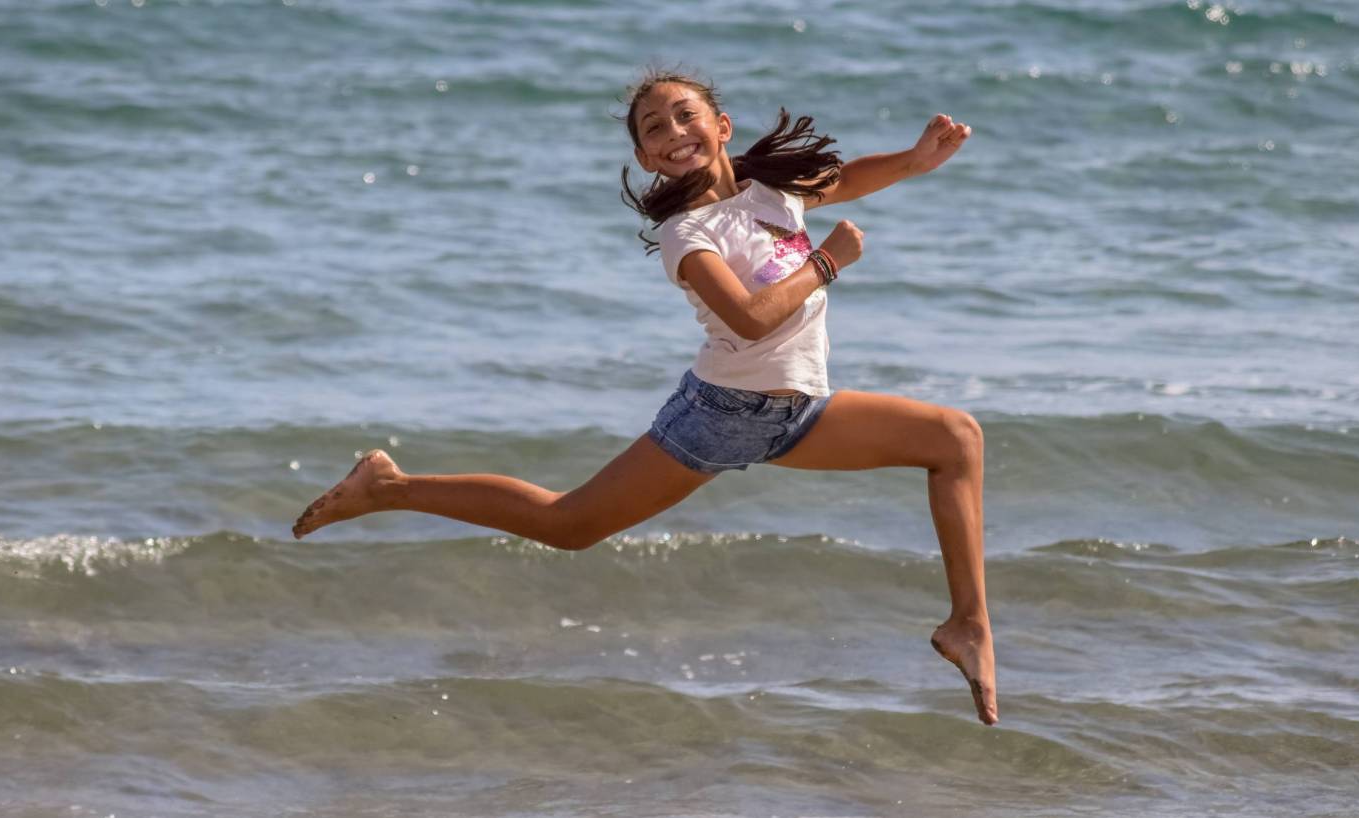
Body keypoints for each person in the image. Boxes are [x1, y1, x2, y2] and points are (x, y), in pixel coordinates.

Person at [292, 68, 997, 725]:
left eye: (684, 116)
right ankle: (390, 487)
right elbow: (749, 322)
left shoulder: (773, 188)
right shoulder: (685, 235)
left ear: (721, 126)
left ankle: (967, 625)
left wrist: (915, 158)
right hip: (722, 416)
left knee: (954, 438)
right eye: (653, 130)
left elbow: (841, 179)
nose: (672, 132)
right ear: (648, 158)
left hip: (801, 412)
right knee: (569, 525)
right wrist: (825, 263)